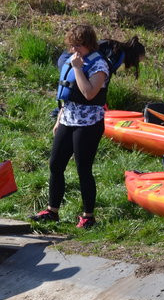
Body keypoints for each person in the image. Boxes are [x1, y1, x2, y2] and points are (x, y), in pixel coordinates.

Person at [32, 24, 110, 229]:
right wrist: (59, 118)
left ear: (88, 45)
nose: (74, 51)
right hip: (68, 118)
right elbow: (67, 96)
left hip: (89, 122)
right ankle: (52, 211)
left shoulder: (99, 65)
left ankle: (88, 216)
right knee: (55, 164)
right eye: (72, 46)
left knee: (83, 169)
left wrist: (77, 68)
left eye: (79, 47)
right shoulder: (73, 58)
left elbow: (89, 93)